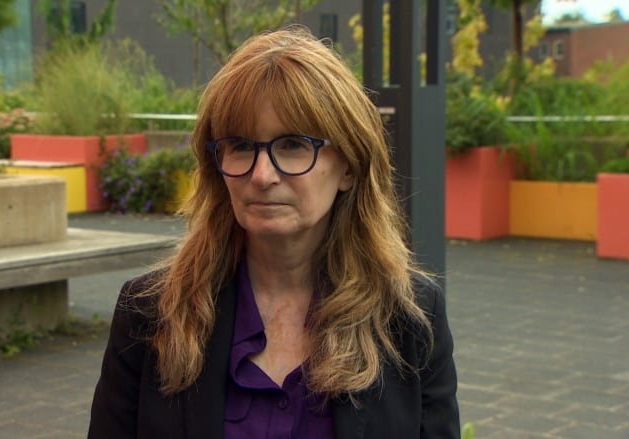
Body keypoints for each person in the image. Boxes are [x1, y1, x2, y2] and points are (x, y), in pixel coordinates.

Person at [88, 26, 459, 438]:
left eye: (293, 145)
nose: (262, 175)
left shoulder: (409, 319)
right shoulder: (151, 313)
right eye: (241, 146)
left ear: (349, 166)